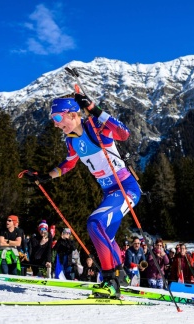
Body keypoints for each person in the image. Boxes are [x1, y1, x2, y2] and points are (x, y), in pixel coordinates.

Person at [24, 93, 141, 298]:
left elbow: (124, 134)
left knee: (95, 223)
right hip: (109, 192)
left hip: (126, 188)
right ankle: (119, 275)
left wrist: (95, 109)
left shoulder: (96, 127)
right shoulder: (71, 142)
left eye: (58, 118)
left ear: (72, 114)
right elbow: (67, 165)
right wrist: (44, 177)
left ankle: (109, 282)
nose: (56, 124)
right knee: (107, 235)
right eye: (54, 121)